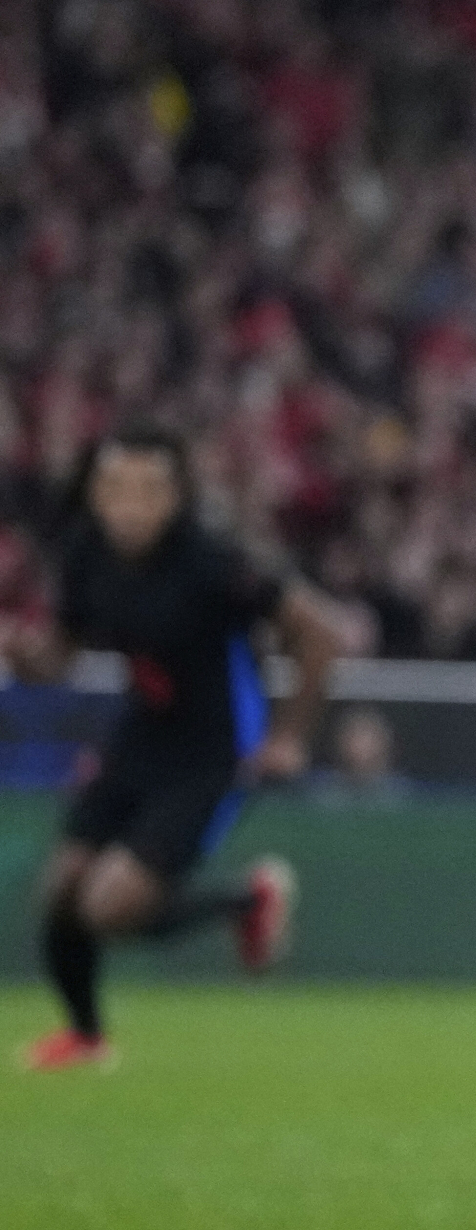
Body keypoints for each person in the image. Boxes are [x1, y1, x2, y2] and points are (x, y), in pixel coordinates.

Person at [12, 429, 337, 1071]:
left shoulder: (213, 564)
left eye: (149, 490)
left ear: (176, 496)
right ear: (95, 493)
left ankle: (246, 903)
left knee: (108, 906)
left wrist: (288, 738)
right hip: (139, 735)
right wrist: (25, 654)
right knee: (60, 892)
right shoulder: (86, 553)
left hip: (212, 750)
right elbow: (62, 652)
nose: (130, 505)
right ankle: (85, 1038)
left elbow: (320, 635)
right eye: (115, 488)